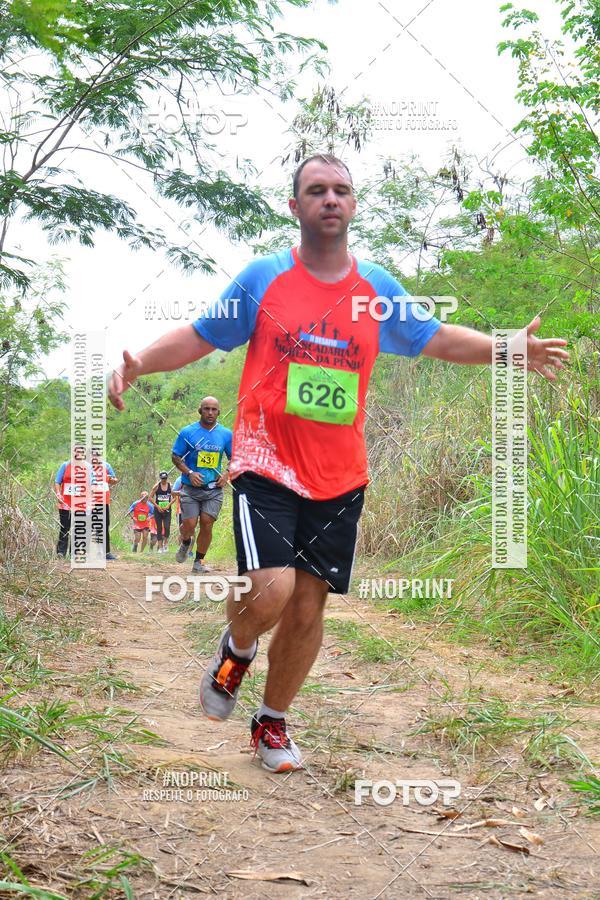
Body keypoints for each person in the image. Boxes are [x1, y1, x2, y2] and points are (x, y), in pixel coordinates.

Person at [109, 153, 569, 774]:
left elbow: (436, 338)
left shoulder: (376, 289)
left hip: (340, 475)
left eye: (342, 191)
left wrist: (507, 348)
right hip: (265, 462)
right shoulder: (263, 279)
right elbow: (200, 334)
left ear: (353, 206)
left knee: (307, 603)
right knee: (270, 588)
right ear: (295, 206)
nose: (331, 199)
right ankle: (237, 647)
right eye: (316, 190)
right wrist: (139, 361)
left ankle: (272, 723)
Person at [171, 397, 232, 574]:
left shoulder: (226, 434)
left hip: (214, 489)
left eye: (214, 409)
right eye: (206, 409)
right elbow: (175, 456)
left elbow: (234, 458)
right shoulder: (187, 432)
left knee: (207, 523)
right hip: (190, 488)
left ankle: (199, 561)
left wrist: (227, 474)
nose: (210, 413)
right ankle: (185, 542)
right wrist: (189, 472)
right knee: (189, 524)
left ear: (218, 412)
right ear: (200, 411)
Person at [54, 446, 90, 558]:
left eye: (81, 452)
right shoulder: (65, 465)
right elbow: (57, 481)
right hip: (65, 503)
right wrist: (58, 494)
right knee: (65, 527)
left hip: (81, 503)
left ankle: (75, 552)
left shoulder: (88, 467)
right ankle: (61, 552)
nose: (79, 454)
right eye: (77, 452)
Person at [91, 459, 119, 560]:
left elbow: (115, 480)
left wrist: (110, 479)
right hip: (89, 501)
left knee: (104, 526)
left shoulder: (106, 465)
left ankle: (106, 552)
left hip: (104, 501)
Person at [149, 471, 173, 553]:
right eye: (163, 479)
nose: (164, 480)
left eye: (165, 479)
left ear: (167, 478)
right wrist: (157, 506)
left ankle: (165, 544)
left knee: (167, 527)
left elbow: (175, 498)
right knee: (159, 528)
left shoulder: (170, 486)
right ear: (160, 478)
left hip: (167, 510)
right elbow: (150, 497)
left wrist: (168, 505)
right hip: (158, 510)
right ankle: (160, 547)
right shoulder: (156, 486)